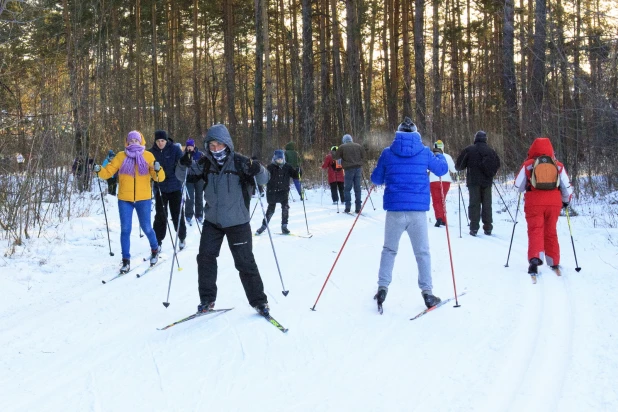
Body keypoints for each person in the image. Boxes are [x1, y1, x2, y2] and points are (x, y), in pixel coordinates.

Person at [177, 124, 271, 316]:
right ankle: (207, 300)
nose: (216, 149)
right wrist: (182, 163)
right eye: (211, 146)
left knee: (245, 262)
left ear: (227, 144)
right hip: (213, 222)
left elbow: (264, 179)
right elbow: (182, 176)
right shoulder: (204, 163)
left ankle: (259, 302)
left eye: (219, 145)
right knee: (205, 258)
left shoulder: (240, 162)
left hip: (238, 222)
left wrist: (258, 168)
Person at [371, 117, 448, 310]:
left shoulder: (387, 153)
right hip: (417, 213)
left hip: (395, 211)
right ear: (416, 134)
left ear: (398, 134)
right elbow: (442, 169)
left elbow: (376, 179)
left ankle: (382, 288)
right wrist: (440, 154)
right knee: (422, 252)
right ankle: (427, 293)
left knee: (389, 250)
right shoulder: (424, 152)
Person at [95, 131, 164, 273]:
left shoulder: (148, 156)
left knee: (147, 228)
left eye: (136, 140)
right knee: (125, 230)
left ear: (141, 141)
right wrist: (99, 170)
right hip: (124, 199)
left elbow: (158, 178)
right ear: (127, 142)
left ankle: (155, 249)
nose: (133, 142)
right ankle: (125, 260)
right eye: (131, 140)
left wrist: (158, 169)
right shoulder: (121, 156)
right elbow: (108, 172)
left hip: (143, 198)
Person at [514, 137, 573, 276]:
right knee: (551, 231)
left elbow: (518, 186)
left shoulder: (528, 164)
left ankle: (535, 260)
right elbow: (567, 188)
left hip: (534, 203)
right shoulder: (557, 165)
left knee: (536, 230)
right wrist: (565, 201)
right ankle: (554, 261)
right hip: (554, 203)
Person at [455, 130, 501, 236]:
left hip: (473, 181)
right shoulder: (491, 151)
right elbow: (497, 164)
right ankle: (488, 227)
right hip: (487, 181)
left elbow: (459, 166)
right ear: (486, 139)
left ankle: (474, 227)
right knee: (487, 204)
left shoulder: (469, 150)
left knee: (474, 204)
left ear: (475, 138)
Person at [149, 130, 187, 250]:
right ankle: (158, 241)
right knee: (160, 215)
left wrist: (186, 162)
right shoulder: (151, 152)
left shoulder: (175, 149)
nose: (160, 143)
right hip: (160, 188)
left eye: (162, 141)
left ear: (166, 140)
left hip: (175, 187)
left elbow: (182, 163)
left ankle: (181, 236)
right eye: (158, 141)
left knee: (177, 214)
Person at [255, 150, 300, 235]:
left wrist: (298, 172)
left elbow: (295, 175)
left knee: (285, 208)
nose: (280, 161)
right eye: (278, 159)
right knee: (271, 209)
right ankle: (263, 226)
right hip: (272, 192)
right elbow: (264, 178)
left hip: (284, 191)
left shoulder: (287, 167)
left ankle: (284, 226)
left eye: (281, 159)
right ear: (274, 159)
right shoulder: (270, 167)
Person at [334, 133, 366, 213]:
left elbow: (336, 158)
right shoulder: (358, 146)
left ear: (344, 140)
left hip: (348, 169)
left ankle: (347, 207)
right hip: (358, 169)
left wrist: (338, 166)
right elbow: (364, 156)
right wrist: (360, 163)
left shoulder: (342, 147)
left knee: (347, 189)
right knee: (357, 188)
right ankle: (358, 208)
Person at [429, 140, 458, 227]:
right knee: (442, 200)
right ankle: (443, 219)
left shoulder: (431, 156)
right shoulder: (447, 157)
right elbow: (454, 169)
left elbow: (426, 168)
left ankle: (439, 218)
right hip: (445, 181)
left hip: (434, 181)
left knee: (436, 200)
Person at [182, 139, 204, 226]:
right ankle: (188, 215)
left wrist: (194, 164)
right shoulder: (184, 154)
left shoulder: (200, 154)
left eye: (191, 146)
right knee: (189, 198)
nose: (190, 148)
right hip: (189, 179)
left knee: (199, 197)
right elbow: (181, 165)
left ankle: (199, 214)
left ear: (194, 146)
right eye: (188, 146)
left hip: (198, 178)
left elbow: (203, 165)